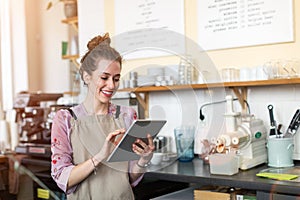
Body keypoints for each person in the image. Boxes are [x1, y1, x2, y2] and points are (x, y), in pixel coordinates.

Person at [51, 33, 155, 199]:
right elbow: (63, 178)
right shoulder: (66, 119)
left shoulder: (127, 115)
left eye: (116, 79)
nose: (111, 85)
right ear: (87, 76)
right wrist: (100, 155)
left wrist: (144, 160)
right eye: (104, 78)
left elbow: (129, 178)